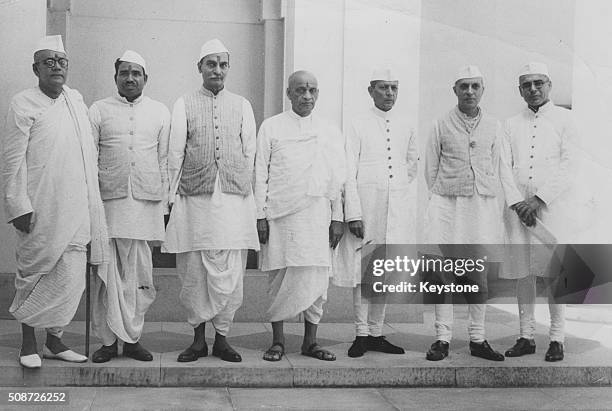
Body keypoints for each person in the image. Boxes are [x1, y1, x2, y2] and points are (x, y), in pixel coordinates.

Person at [1, 35, 108, 368]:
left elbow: (88, 155)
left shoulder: (75, 101)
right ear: (36, 68)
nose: (56, 67)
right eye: (48, 62)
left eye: (61, 61)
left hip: (76, 208)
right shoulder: (23, 103)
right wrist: (18, 205)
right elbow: (12, 160)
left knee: (69, 276)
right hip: (40, 208)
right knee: (34, 275)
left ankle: (55, 342)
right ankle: (29, 343)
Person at [163, 39, 259, 363]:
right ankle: (197, 340)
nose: (217, 70)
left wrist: (251, 200)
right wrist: (169, 201)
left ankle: (222, 339)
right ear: (200, 67)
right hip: (195, 199)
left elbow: (250, 153)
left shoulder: (242, 104)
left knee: (231, 267)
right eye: (211, 64)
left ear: (228, 68)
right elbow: (174, 154)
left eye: (223, 64)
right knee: (194, 269)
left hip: (233, 200)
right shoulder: (184, 103)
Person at [255, 70, 345, 362]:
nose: (307, 96)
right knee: (280, 277)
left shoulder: (330, 130)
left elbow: (338, 179)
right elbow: (260, 175)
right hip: (280, 215)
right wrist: (260, 215)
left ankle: (310, 341)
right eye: (301, 90)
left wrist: (337, 218)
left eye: (313, 90)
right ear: (289, 93)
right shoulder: (271, 127)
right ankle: (278, 341)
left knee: (316, 278)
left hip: (317, 215)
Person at [89, 50, 170, 363]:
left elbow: (164, 161)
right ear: (116, 78)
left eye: (137, 73)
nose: (131, 78)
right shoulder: (98, 110)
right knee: (106, 273)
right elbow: (90, 157)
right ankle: (108, 342)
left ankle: (133, 339)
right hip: (108, 204)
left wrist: (164, 206)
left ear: (145, 79)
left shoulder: (160, 111)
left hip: (144, 204)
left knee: (138, 272)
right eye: (125, 72)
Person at [332, 68, 417, 357]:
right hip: (366, 207)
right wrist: (353, 213)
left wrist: (398, 192)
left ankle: (378, 333)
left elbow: (411, 164)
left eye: (394, 87)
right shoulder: (357, 124)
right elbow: (348, 170)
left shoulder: (407, 123)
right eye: (383, 87)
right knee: (362, 271)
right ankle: (361, 333)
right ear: (371, 91)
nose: (389, 93)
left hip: (395, 210)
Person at [423, 65, 504, 362]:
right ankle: (442, 338)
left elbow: (496, 167)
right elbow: (430, 170)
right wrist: (446, 194)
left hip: (479, 209)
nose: (469, 92)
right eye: (463, 86)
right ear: (454, 90)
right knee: (441, 274)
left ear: (482, 90)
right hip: (447, 207)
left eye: (475, 86)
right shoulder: (439, 124)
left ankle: (477, 338)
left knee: (477, 274)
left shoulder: (495, 126)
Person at [500, 62, 578, 362]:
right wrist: (518, 201)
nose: (533, 89)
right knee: (524, 274)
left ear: (549, 84)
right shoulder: (510, 124)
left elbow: (570, 165)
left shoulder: (566, 120)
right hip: (518, 211)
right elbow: (503, 167)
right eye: (526, 85)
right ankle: (526, 336)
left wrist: (539, 200)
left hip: (553, 209)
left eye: (538, 83)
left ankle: (557, 338)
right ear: (519, 90)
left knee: (556, 274)